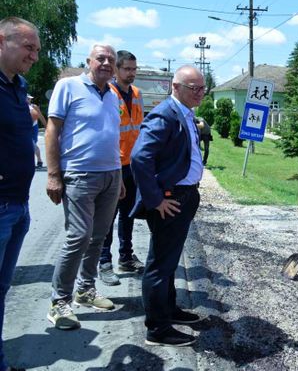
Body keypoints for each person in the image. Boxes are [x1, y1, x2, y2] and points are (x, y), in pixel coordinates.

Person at [45, 44, 123, 330]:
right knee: (78, 236)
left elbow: (112, 136)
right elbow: (53, 129)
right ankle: (59, 302)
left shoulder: (113, 95)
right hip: (78, 174)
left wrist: (120, 177)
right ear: (88, 61)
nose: (106, 63)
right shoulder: (68, 86)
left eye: (110, 60)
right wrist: (53, 174)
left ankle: (85, 290)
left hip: (111, 175)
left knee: (99, 236)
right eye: (100, 58)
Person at [130, 65, 205, 347]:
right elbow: (140, 158)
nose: (199, 93)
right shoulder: (165, 113)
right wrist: (155, 199)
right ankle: (158, 329)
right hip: (170, 200)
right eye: (193, 88)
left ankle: (169, 310)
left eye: (202, 88)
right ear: (175, 87)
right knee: (160, 264)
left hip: (185, 196)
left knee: (169, 260)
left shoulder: (185, 113)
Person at [0, 17, 40, 371]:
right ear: (2, 40)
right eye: (29, 47)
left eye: (37, 49)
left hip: (19, 205)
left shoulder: (18, 86)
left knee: (1, 290)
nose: (35, 56)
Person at [98, 50, 145, 287]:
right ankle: (104, 261)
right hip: (114, 166)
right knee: (109, 215)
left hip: (133, 166)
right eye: (127, 69)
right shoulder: (108, 93)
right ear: (116, 70)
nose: (131, 73)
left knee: (129, 214)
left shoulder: (136, 94)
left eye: (134, 69)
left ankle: (125, 257)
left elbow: (138, 129)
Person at [27, 95, 46, 169]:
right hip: (25, 127)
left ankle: (39, 160)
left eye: (30, 99)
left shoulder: (34, 106)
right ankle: (36, 161)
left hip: (33, 127)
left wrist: (46, 126)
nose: (29, 100)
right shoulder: (19, 105)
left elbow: (40, 116)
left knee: (33, 144)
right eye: (28, 99)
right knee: (30, 144)